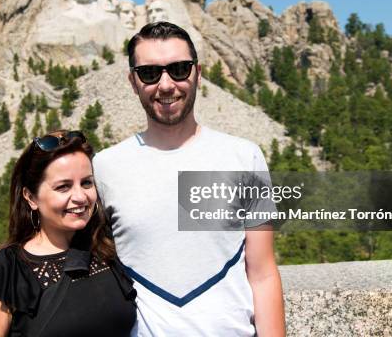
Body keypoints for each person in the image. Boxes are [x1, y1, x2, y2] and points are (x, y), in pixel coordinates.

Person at [92, 22, 286, 336]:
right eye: (150, 73)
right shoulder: (104, 167)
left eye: (179, 69)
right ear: (133, 81)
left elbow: (262, 274)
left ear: (197, 72)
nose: (166, 85)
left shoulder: (245, 157)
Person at [0, 130, 136, 337]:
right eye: (63, 187)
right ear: (31, 197)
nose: (80, 197)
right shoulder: (7, 270)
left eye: (86, 183)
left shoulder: (107, 248)